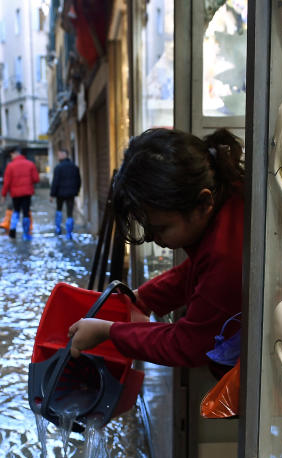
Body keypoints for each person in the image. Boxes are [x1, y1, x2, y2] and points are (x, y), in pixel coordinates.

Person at [68, 127, 244, 372]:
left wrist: (109, 332)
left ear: (204, 203)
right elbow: (196, 270)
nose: (154, 239)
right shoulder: (227, 199)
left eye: (161, 228)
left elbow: (187, 344)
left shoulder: (228, 256)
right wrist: (145, 297)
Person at [0, 146, 39, 240]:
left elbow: (7, 182)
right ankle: (26, 233)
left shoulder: (10, 166)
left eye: (12, 155)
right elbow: (36, 179)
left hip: (15, 194)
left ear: (15, 154)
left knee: (16, 210)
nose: (11, 157)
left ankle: (13, 230)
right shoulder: (30, 164)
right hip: (27, 193)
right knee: (26, 212)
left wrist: (3, 194)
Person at [49, 148, 82, 239]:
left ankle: (58, 229)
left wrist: (52, 194)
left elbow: (55, 182)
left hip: (60, 194)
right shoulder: (74, 167)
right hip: (71, 194)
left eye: (59, 154)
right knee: (70, 213)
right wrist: (76, 192)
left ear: (64, 155)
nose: (58, 156)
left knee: (59, 210)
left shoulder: (58, 167)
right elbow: (79, 181)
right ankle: (69, 233)